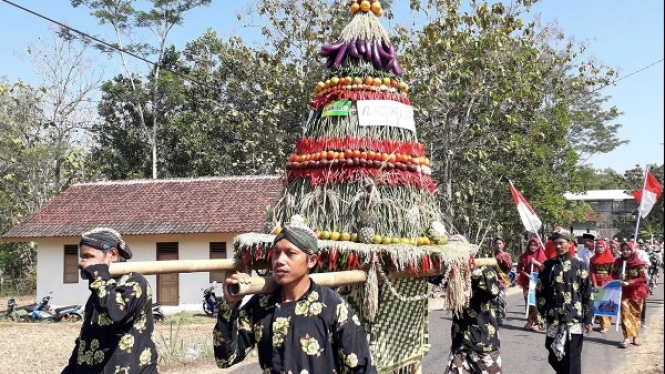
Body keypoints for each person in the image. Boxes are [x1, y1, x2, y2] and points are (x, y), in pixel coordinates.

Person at [213, 223, 377, 373]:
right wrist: (230, 304)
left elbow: (362, 368)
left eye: (290, 253)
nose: (279, 261)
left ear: (311, 260)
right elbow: (226, 359)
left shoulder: (332, 307)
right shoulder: (261, 305)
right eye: (276, 253)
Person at [62, 228, 158, 374]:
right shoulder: (100, 291)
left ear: (112, 254)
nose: (82, 263)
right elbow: (85, 341)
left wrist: (97, 274)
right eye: (82, 257)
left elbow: (116, 313)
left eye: (89, 256)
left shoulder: (135, 283)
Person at [536, 231, 594, 374]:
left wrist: (589, 319)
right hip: (553, 318)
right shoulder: (547, 266)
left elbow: (587, 293)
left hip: (574, 318)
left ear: (570, 244)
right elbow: (540, 292)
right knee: (553, 353)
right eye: (555, 243)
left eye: (561, 243)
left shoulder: (579, 265)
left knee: (573, 356)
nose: (558, 246)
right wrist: (540, 314)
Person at [437, 263, 503, 374]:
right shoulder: (451, 270)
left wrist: (471, 270)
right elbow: (435, 277)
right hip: (460, 343)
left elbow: (494, 290)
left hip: (484, 344)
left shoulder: (484, 268)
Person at [612, 241, 648, 348]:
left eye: (628, 249)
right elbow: (612, 275)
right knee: (625, 314)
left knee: (636, 314)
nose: (625, 251)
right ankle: (626, 338)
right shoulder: (618, 262)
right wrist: (619, 277)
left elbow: (642, 278)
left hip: (637, 292)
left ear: (632, 250)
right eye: (623, 249)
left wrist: (630, 282)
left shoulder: (639, 263)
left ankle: (636, 336)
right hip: (623, 293)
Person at [516, 237, 547, 331]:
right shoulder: (524, 256)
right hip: (527, 283)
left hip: (538, 283)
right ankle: (530, 321)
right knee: (528, 302)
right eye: (531, 245)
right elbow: (519, 268)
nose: (533, 247)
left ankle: (539, 322)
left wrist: (537, 263)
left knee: (536, 302)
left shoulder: (542, 256)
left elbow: (545, 269)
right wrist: (526, 275)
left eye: (535, 245)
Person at [588, 239, 615, 333]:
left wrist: (607, 283)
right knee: (599, 304)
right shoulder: (593, 259)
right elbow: (592, 272)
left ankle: (606, 325)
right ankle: (603, 324)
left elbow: (612, 272)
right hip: (597, 284)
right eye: (597, 247)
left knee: (607, 303)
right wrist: (594, 283)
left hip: (608, 283)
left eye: (601, 247)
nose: (599, 249)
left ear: (605, 247)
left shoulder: (611, 259)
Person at [492, 235, 512, 326]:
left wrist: (502, 257)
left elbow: (509, 267)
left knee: (502, 300)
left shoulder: (507, 255)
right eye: (496, 244)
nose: (498, 245)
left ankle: (502, 314)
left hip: (503, 281)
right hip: (493, 280)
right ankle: (496, 317)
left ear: (503, 245)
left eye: (500, 243)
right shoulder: (491, 255)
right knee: (494, 300)